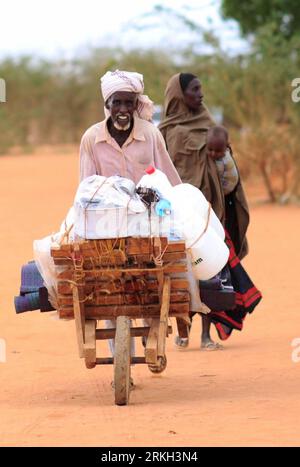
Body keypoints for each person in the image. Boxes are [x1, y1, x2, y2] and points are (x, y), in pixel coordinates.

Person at [79, 69, 182, 386]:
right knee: (108, 292)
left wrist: (178, 207)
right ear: (107, 104)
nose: (123, 109)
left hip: (147, 222)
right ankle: (118, 365)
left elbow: (167, 176)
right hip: (108, 226)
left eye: (129, 103)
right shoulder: (91, 139)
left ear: (136, 103)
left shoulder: (151, 134)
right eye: (117, 103)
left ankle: (154, 343)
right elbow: (85, 187)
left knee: (153, 283)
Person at [159, 72, 262, 350]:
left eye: (201, 89)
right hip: (177, 216)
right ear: (180, 95)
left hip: (210, 215)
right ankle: (183, 330)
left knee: (211, 272)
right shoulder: (164, 133)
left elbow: (224, 168)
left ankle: (205, 336)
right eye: (194, 89)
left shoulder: (209, 126)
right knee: (180, 274)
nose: (200, 94)